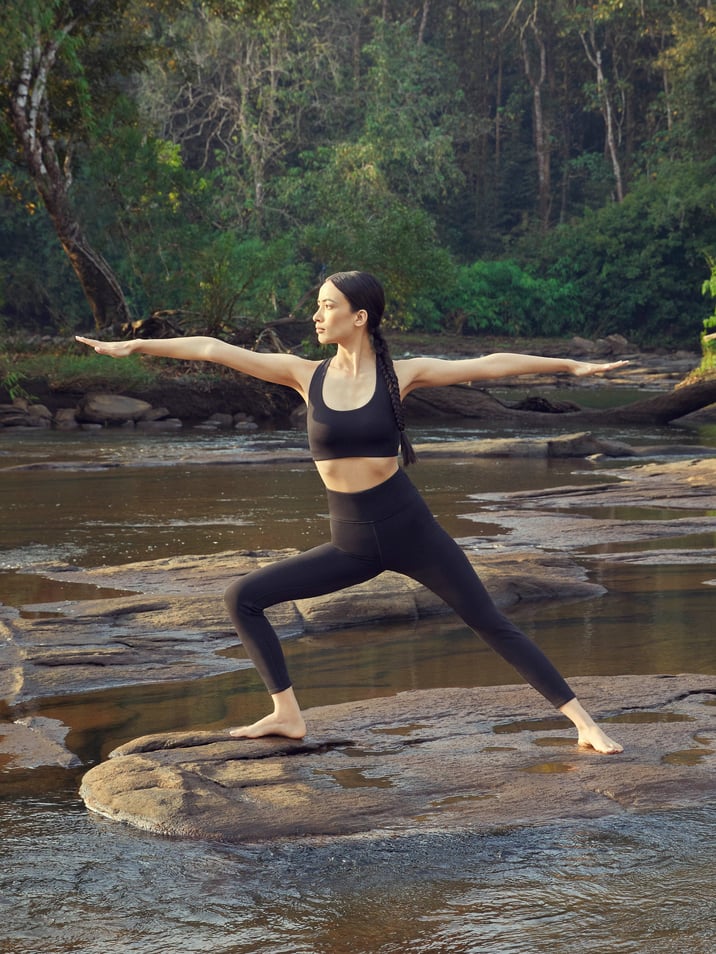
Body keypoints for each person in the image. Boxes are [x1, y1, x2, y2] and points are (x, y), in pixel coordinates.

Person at [77, 270, 626, 754]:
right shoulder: (303, 374)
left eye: (328, 306)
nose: (317, 315)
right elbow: (211, 348)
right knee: (241, 597)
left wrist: (572, 365)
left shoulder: (401, 374)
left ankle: (584, 724)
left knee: (490, 621)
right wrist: (137, 346)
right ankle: (287, 714)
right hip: (352, 543)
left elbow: (489, 365)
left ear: (359, 317)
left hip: (411, 530)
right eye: (318, 305)